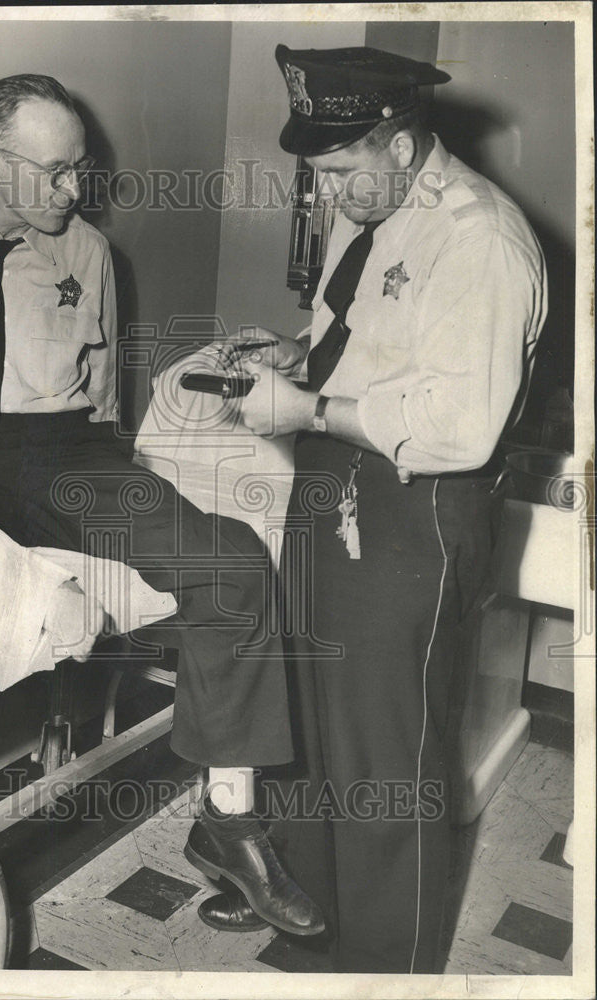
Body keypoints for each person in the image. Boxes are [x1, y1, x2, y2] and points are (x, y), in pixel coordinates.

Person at [0, 73, 324, 937]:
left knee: (234, 564)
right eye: (56, 172)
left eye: (81, 170)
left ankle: (229, 821)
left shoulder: (89, 254)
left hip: (62, 455)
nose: (75, 190)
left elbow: (99, 412)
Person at [200, 45, 547, 972]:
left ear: (400, 144)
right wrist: (291, 359)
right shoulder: (379, 209)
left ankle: (387, 962)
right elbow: (359, 346)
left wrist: (308, 409)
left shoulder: (479, 238)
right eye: (319, 175)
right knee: (318, 727)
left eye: (342, 171)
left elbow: (461, 426)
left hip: (416, 510)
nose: (330, 192)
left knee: (389, 758)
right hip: (336, 487)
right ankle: (315, 918)